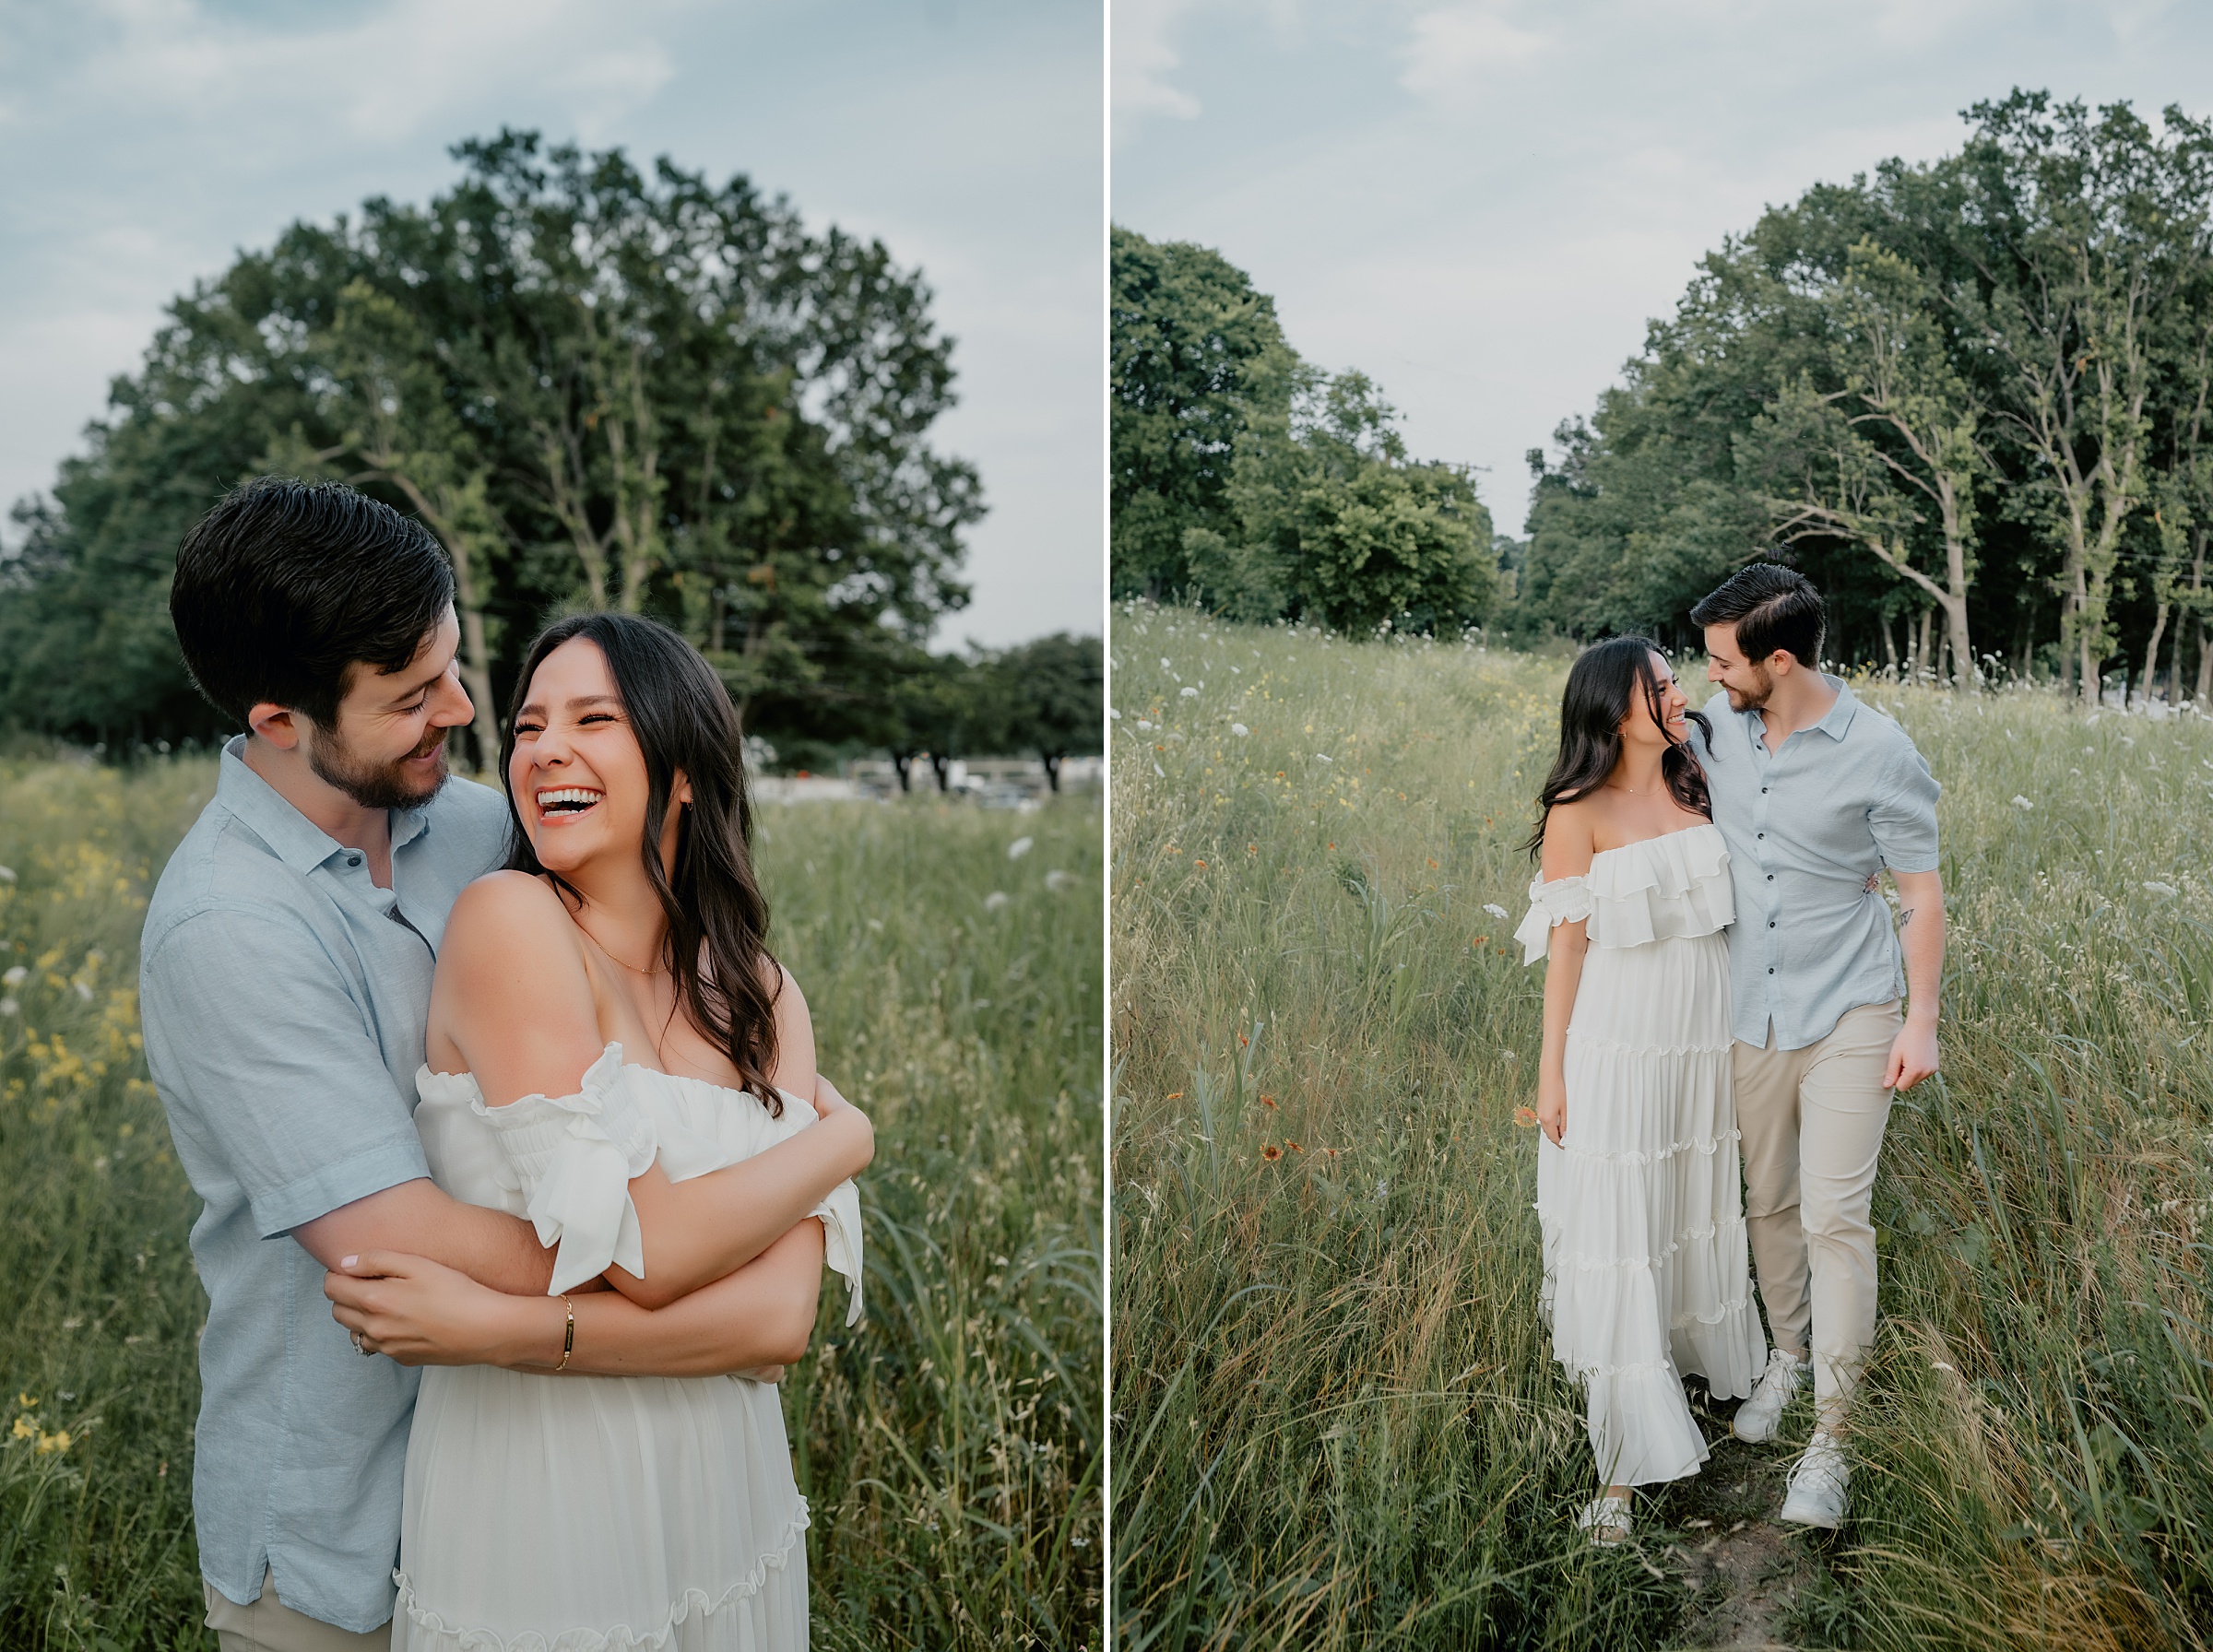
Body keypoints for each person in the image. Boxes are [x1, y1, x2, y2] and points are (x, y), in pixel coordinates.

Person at [142, 478, 866, 1651]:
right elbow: (397, 1247)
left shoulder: (487, 828)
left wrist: (692, 1263)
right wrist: (750, 1212)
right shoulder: (227, 929)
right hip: (344, 1515)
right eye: (416, 694)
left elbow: (752, 1278)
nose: (469, 712)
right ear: (281, 719)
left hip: (623, 1479)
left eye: (458, 667)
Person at [328, 611, 867, 1649]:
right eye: (528, 727)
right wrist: (843, 1145)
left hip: (725, 1484)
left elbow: (777, 1324)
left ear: (679, 769)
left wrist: (505, 1328)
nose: (545, 749)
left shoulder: (761, 992)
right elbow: (650, 1253)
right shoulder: (512, 923)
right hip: (542, 1483)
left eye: (594, 718)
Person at [1687, 562, 1943, 1531]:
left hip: (1853, 1010)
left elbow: (1920, 894)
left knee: (1837, 1214)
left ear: (1778, 658)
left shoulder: (1879, 751)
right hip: (1749, 1008)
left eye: (1722, 659)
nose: (1709, 674)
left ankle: (1835, 1436)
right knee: (1771, 1198)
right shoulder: (1715, 734)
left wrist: (1920, 1021)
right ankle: (1788, 1358)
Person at [1514, 636, 1766, 1544]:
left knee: (1688, 1205)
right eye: (1659, 684)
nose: (1678, 690)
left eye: (1673, 678)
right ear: (1612, 709)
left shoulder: (1701, 773)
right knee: (1621, 1222)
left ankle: (1693, 1370)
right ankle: (1619, 1474)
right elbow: (1568, 951)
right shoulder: (1575, 810)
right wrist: (1553, 1077)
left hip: (1700, 1037)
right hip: (1618, 1041)